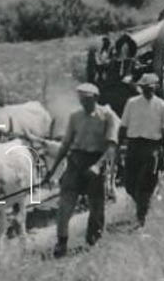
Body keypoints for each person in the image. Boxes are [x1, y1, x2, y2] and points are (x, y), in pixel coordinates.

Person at [45, 82, 119, 257]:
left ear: (95, 99)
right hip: (76, 162)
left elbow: (111, 147)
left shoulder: (108, 116)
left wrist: (97, 166)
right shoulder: (75, 116)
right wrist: (53, 170)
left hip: (96, 161)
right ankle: (61, 242)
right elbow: (65, 145)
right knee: (64, 205)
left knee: (96, 207)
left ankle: (93, 243)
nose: (84, 105)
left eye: (87, 101)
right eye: (81, 101)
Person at [119, 72, 164, 227]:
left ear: (156, 88)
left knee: (146, 183)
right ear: (140, 88)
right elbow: (123, 125)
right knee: (129, 184)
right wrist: (118, 144)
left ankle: (141, 217)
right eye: (144, 87)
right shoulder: (132, 103)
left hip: (151, 147)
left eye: (150, 88)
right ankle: (144, 205)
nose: (147, 90)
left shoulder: (163, 106)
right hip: (133, 145)